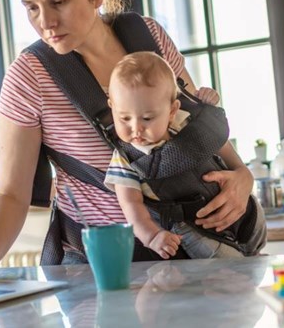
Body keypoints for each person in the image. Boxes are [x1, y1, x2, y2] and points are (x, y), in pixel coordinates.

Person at [0, 0, 255, 281]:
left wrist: (243, 175)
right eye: (32, 7)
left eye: (59, 1)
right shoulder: (29, 76)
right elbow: (11, 191)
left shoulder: (148, 36)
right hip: (109, 268)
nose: (46, 22)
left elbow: (193, 122)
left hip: (200, 250)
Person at [105, 52, 266, 259]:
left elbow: (218, 140)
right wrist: (152, 237)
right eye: (124, 118)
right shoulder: (126, 158)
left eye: (147, 118)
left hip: (243, 210)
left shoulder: (185, 123)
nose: (136, 129)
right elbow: (131, 205)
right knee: (229, 271)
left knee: (257, 251)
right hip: (195, 228)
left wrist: (208, 103)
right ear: (112, 109)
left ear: (172, 110)